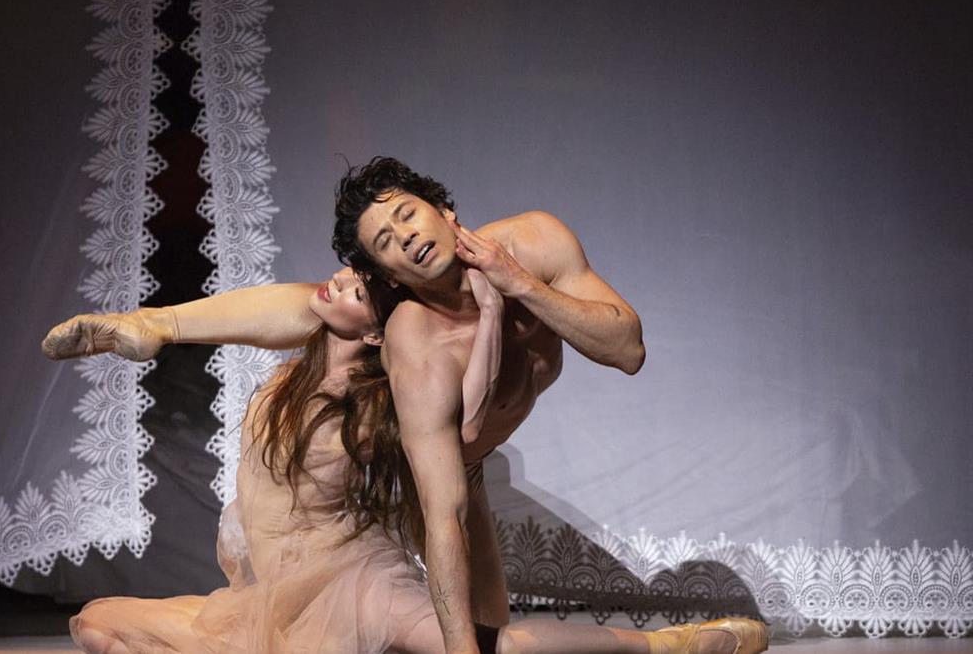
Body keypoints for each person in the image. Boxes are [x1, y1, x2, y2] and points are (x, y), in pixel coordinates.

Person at [44, 268, 766, 654]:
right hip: (275, 583)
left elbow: (469, 416)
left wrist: (491, 315)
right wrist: (152, 326)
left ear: (377, 330)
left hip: (348, 578)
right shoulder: (298, 352)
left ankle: (663, 646)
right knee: (102, 628)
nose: (338, 283)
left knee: (486, 646)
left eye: (359, 290)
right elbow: (268, 308)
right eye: (348, 273)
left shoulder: (378, 402)